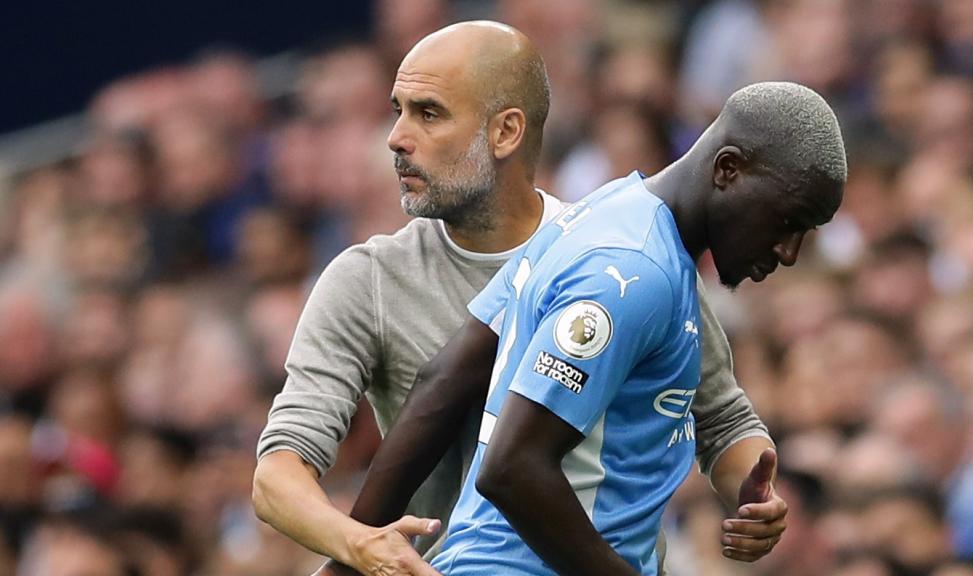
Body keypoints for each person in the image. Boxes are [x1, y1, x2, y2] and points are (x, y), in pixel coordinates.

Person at [252, 21, 784, 576]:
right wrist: (358, 545)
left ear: (506, 132)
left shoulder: (623, 255)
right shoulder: (368, 280)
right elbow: (277, 478)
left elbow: (721, 419)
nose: (397, 137)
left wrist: (756, 497)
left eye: (428, 113)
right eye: (398, 110)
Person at [346, 80, 845, 575]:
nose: (789, 251)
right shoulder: (631, 275)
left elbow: (445, 380)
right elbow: (512, 469)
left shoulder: (600, 216)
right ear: (728, 169)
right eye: (788, 221)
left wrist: (348, 552)